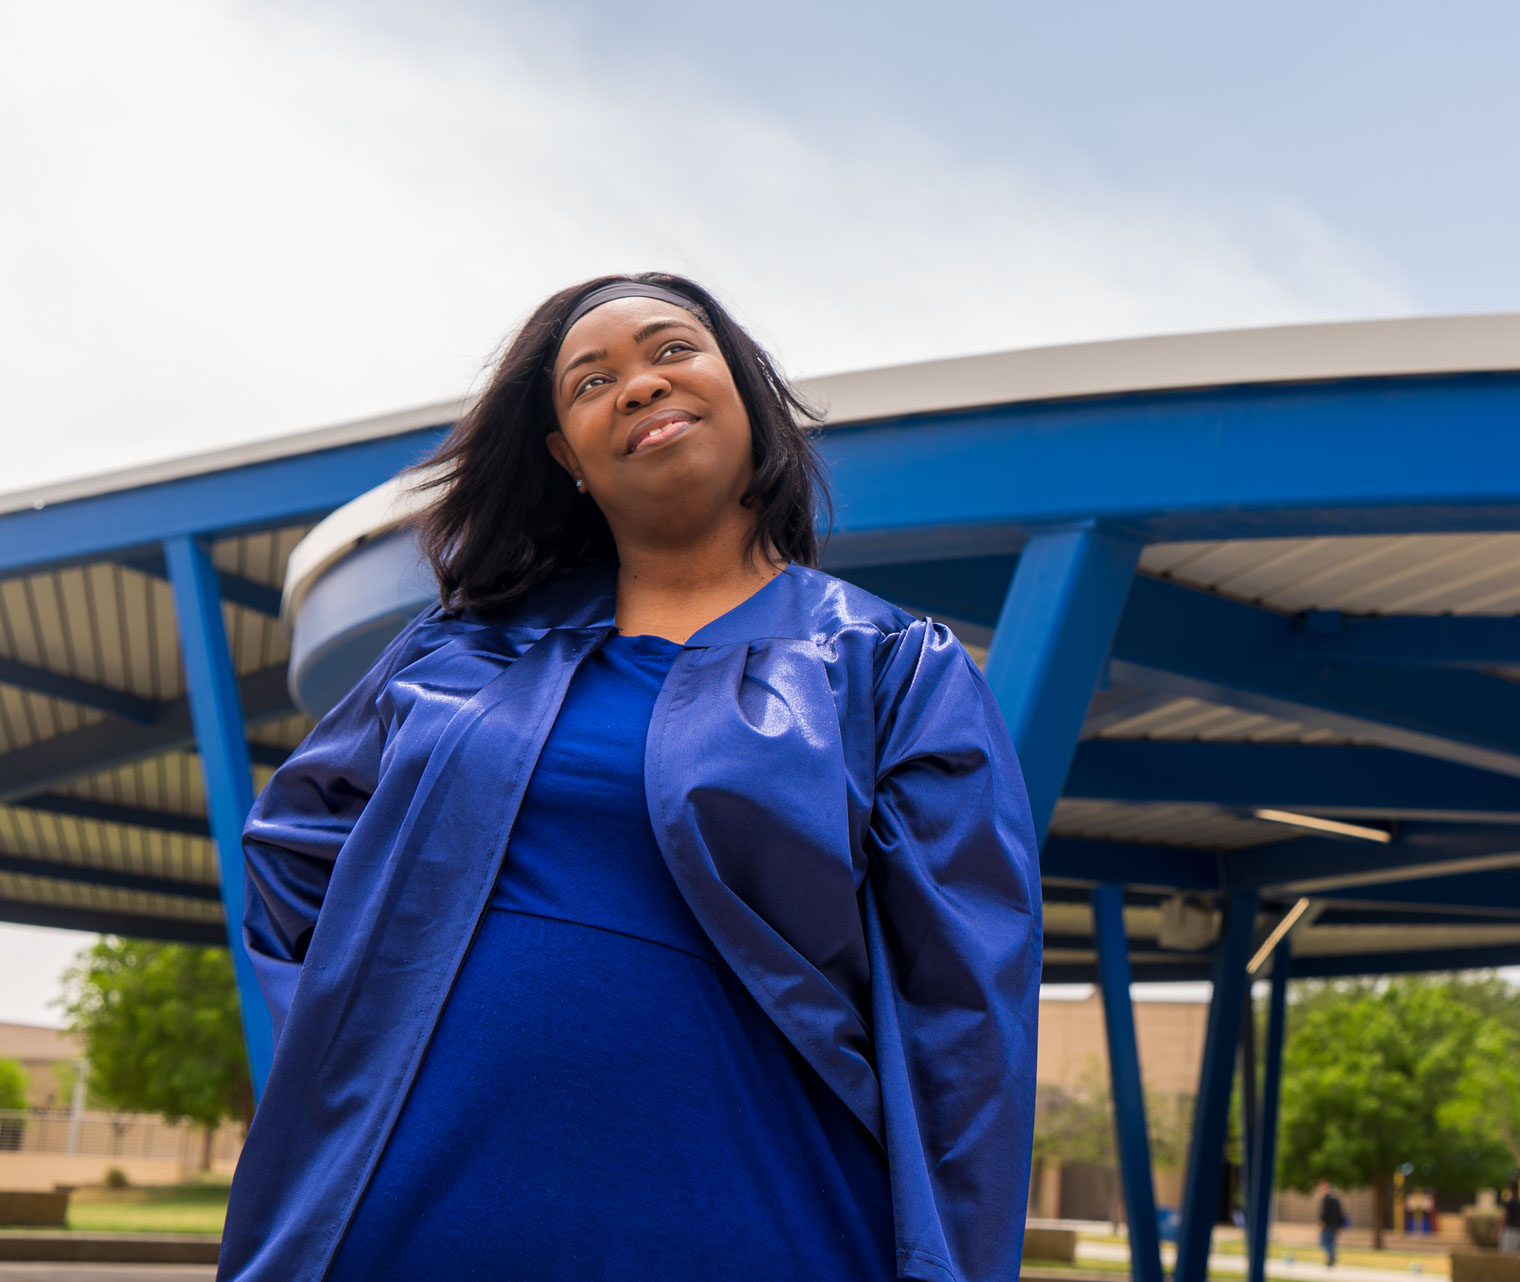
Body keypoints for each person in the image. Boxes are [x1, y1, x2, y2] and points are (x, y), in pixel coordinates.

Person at [214, 273, 1042, 1282]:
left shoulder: (890, 667)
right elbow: (292, 864)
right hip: (405, 1226)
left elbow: (964, 1018)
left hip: (763, 1223)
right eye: (592, 380)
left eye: (671, 350)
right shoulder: (458, 654)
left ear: (743, 386)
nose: (640, 384)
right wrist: (361, 1051)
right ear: (565, 454)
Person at [1317, 1180, 1345, 1267]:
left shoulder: (1326, 1198)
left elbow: (1325, 1211)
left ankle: (1332, 1257)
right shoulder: (1336, 1198)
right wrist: (1340, 1225)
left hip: (1328, 1224)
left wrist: (1322, 1220)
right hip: (1335, 1224)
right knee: (1332, 1242)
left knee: (1324, 1241)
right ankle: (1331, 1258)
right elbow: (1340, 1213)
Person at [1499, 1181, 1520, 1253]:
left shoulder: (1510, 1202)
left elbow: (1505, 1216)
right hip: (1518, 1228)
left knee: (1506, 1251)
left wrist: (1498, 1229)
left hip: (1510, 1229)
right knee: (1515, 1251)